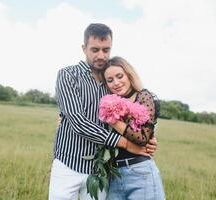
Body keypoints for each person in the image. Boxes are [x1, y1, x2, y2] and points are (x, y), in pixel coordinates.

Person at [48, 23, 158, 200]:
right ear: (84, 48)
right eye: (95, 50)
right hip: (68, 163)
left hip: (101, 170)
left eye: (106, 50)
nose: (101, 55)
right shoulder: (68, 75)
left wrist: (148, 136)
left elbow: (133, 114)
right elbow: (78, 122)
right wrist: (127, 144)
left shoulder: (113, 84)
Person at [102, 56, 165, 200]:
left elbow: (142, 138)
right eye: (110, 80)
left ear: (129, 75)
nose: (116, 83)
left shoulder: (143, 96)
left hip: (140, 173)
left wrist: (113, 121)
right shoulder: (108, 103)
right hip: (115, 175)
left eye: (120, 76)